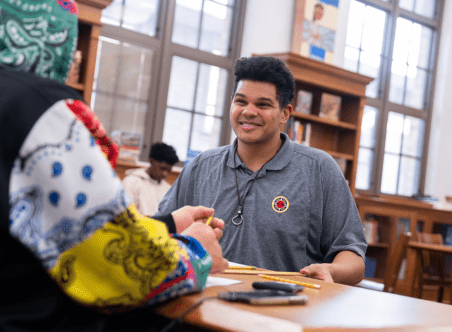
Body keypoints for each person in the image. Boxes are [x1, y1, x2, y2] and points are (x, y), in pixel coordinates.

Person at [0, 0, 227, 331]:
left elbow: (59, 225)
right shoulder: (31, 107)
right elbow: (125, 272)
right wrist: (196, 251)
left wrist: (169, 224)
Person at [155, 56, 367, 285]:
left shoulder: (320, 169)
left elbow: (353, 258)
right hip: (201, 306)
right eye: (241, 101)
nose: (249, 111)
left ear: (285, 113)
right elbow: (159, 233)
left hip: (284, 310)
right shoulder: (201, 166)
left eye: (263, 105)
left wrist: (332, 271)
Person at [122, 142, 179, 216]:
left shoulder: (167, 189)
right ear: (152, 161)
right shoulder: (131, 182)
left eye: (168, 170)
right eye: (162, 168)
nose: (165, 174)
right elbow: (126, 214)